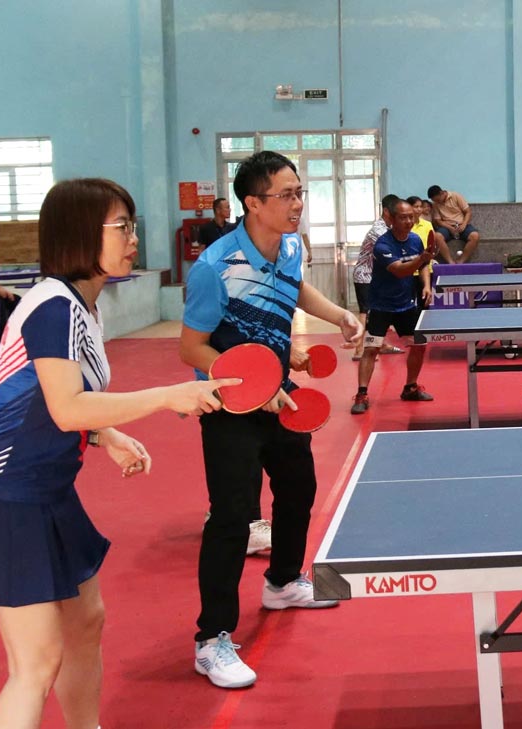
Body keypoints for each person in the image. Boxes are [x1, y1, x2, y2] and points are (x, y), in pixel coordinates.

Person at [0, 178, 230, 726]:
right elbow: (67, 409)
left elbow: (55, 406)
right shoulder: (53, 307)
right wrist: (170, 395)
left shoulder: (86, 310)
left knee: (85, 622)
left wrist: (107, 436)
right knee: (35, 664)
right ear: (80, 233)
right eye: (120, 226)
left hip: (48, 491)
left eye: (131, 225)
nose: (132, 238)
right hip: (7, 494)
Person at [180, 151, 364, 689]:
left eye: (299, 193)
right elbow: (191, 348)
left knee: (298, 489)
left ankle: (283, 583)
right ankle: (211, 639)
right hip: (228, 407)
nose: (297, 204)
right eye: (286, 195)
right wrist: (250, 383)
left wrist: (340, 314)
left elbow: (294, 289)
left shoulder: (288, 245)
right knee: (233, 518)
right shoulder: (214, 268)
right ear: (252, 203)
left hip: (280, 397)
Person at [351, 198, 434, 415]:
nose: (408, 221)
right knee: (371, 349)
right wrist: (422, 259)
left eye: (411, 217)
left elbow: (423, 266)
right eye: (403, 217)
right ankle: (362, 393)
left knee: (419, 346)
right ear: (392, 219)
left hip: (406, 305)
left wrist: (426, 285)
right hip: (380, 306)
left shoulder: (416, 240)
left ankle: (410, 387)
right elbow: (399, 270)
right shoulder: (383, 245)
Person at [350, 195, 404, 361]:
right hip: (364, 275)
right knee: (365, 312)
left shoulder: (388, 228)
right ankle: (359, 350)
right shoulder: (378, 231)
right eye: (397, 213)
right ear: (387, 212)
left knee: (382, 309)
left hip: (377, 276)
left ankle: (382, 344)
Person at [427, 184, 481, 263]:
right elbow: (438, 221)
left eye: (438, 200)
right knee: (437, 236)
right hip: (446, 227)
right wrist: (450, 227)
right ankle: (450, 262)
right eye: (434, 201)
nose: (436, 202)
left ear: (441, 193)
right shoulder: (435, 204)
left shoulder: (456, 196)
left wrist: (464, 224)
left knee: (475, 236)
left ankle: (461, 261)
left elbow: (468, 212)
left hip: (461, 224)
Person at [408, 194, 449, 263]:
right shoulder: (405, 226)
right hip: (410, 264)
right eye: (416, 207)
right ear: (408, 208)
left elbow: (433, 243)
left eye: (420, 206)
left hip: (426, 264)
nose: (419, 209)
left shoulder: (427, 224)